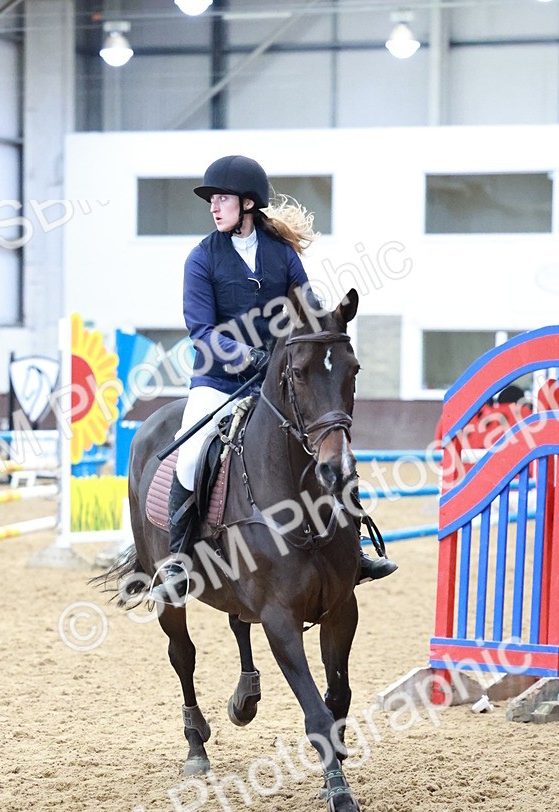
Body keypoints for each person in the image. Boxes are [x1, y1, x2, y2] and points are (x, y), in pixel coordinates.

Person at [150, 154, 397, 606]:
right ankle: (178, 563)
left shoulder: (280, 254)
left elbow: (307, 306)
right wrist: (250, 355)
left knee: (331, 442)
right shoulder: (201, 259)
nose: (213, 207)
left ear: (247, 204)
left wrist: (321, 332)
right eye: (212, 201)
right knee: (189, 458)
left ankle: (354, 551)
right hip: (217, 381)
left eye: (221, 199)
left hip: (276, 382)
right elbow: (201, 334)